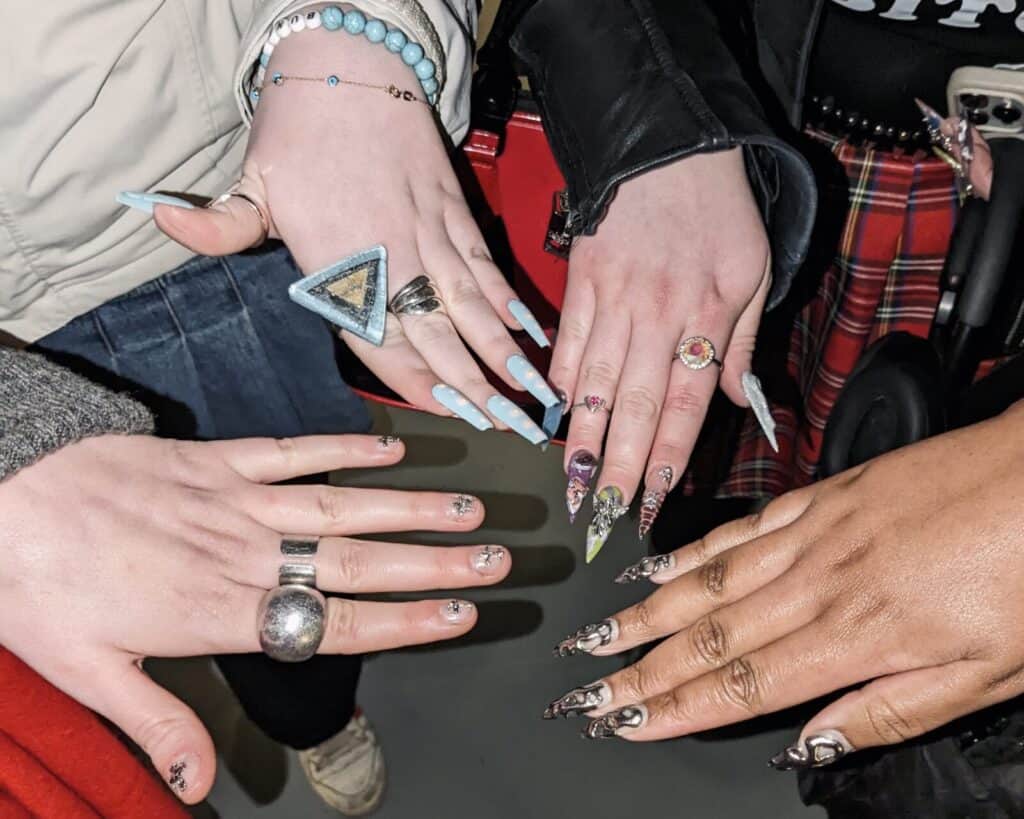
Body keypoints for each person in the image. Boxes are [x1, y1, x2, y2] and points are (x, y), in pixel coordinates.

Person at [1, 0, 554, 813]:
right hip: (20, 333)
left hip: (235, 193)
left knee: (287, 550)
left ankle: (318, 720)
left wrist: (354, 36)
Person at [514, 0, 1024, 815]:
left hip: (986, 209)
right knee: (727, 443)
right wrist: (661, 127)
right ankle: (757, 597)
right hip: (768, 141)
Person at [0, 346, 511, 811]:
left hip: (227, 292)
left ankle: (323, 717)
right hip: (57, 324)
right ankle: (313, 720)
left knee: (284, 518)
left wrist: (13, 427)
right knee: (209, 588)